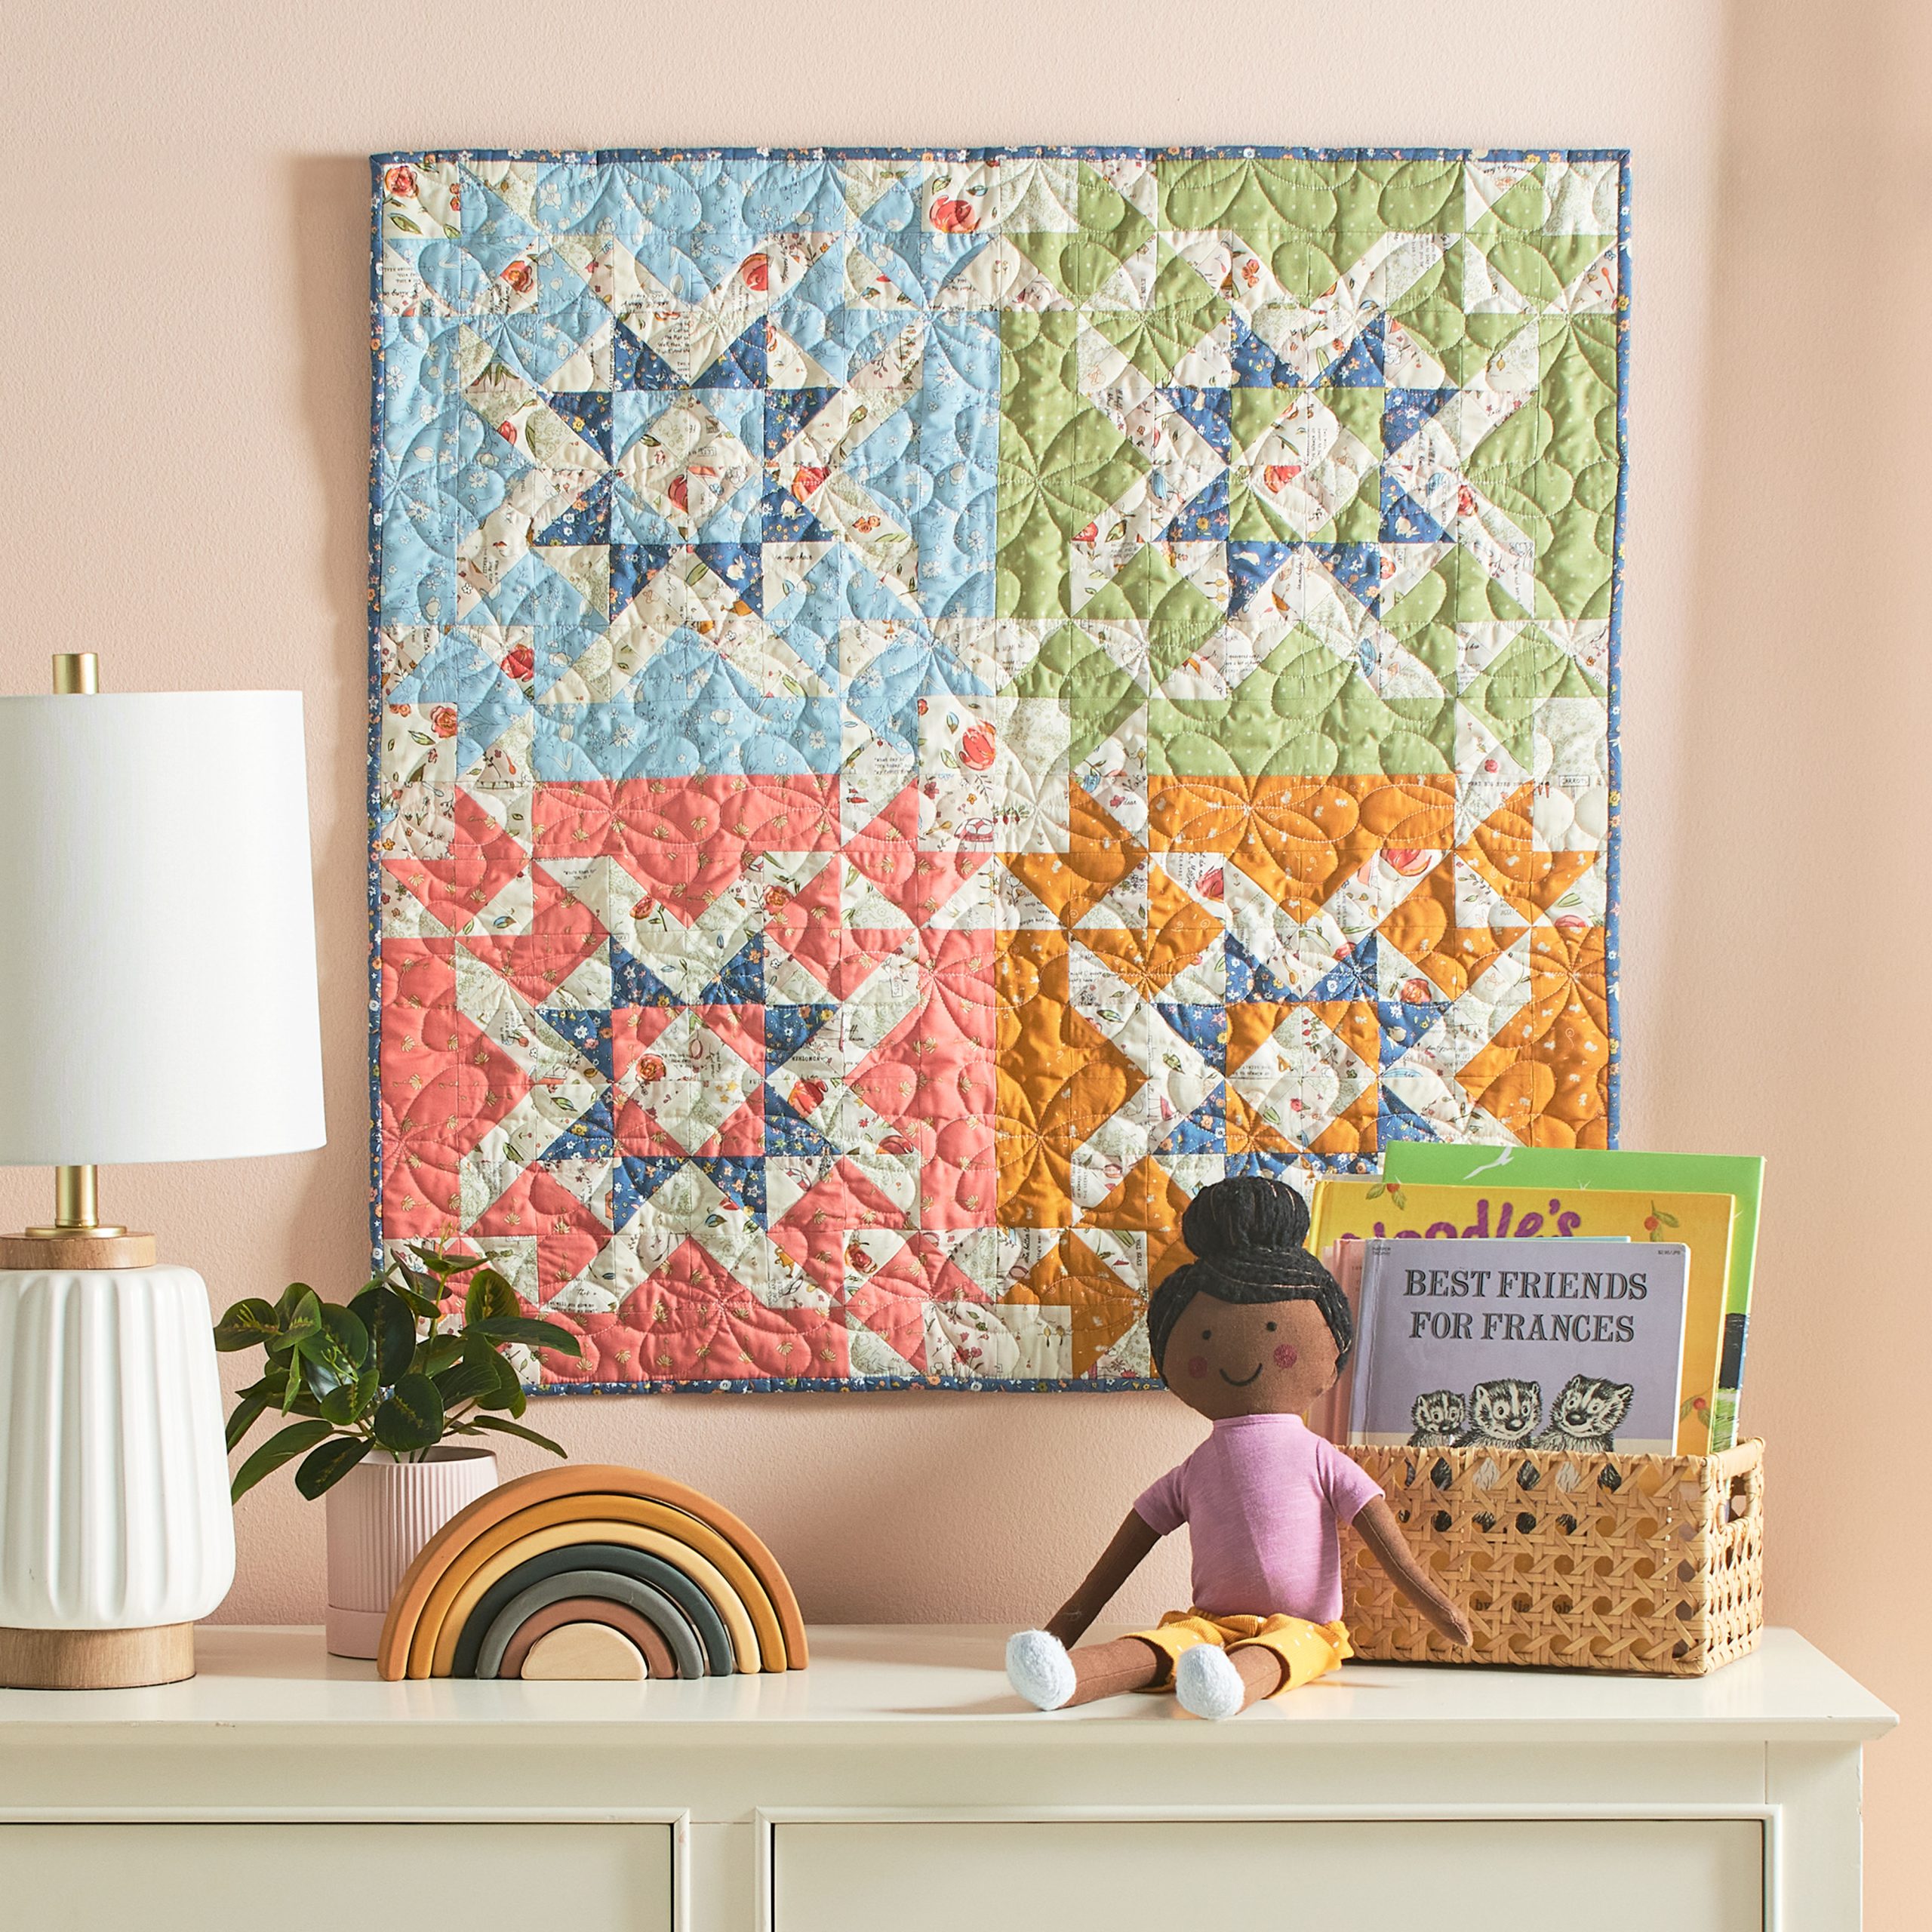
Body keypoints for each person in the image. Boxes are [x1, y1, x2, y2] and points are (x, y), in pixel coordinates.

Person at [1006, 1175, 1471, 1719]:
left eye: (1277, 1331)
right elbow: (1121, 1555)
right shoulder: (1194, 1470)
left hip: (1308, 1627)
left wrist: (1439, 1610)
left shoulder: (1319, 1459)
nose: (1236, 1355)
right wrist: (1063, 1631)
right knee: (1166, 1643)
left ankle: (1227, 1687)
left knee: (1280, 1651)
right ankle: (1065, 1678)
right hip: (1210, 1618)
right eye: (1201, 1340)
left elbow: (1389, 1546)